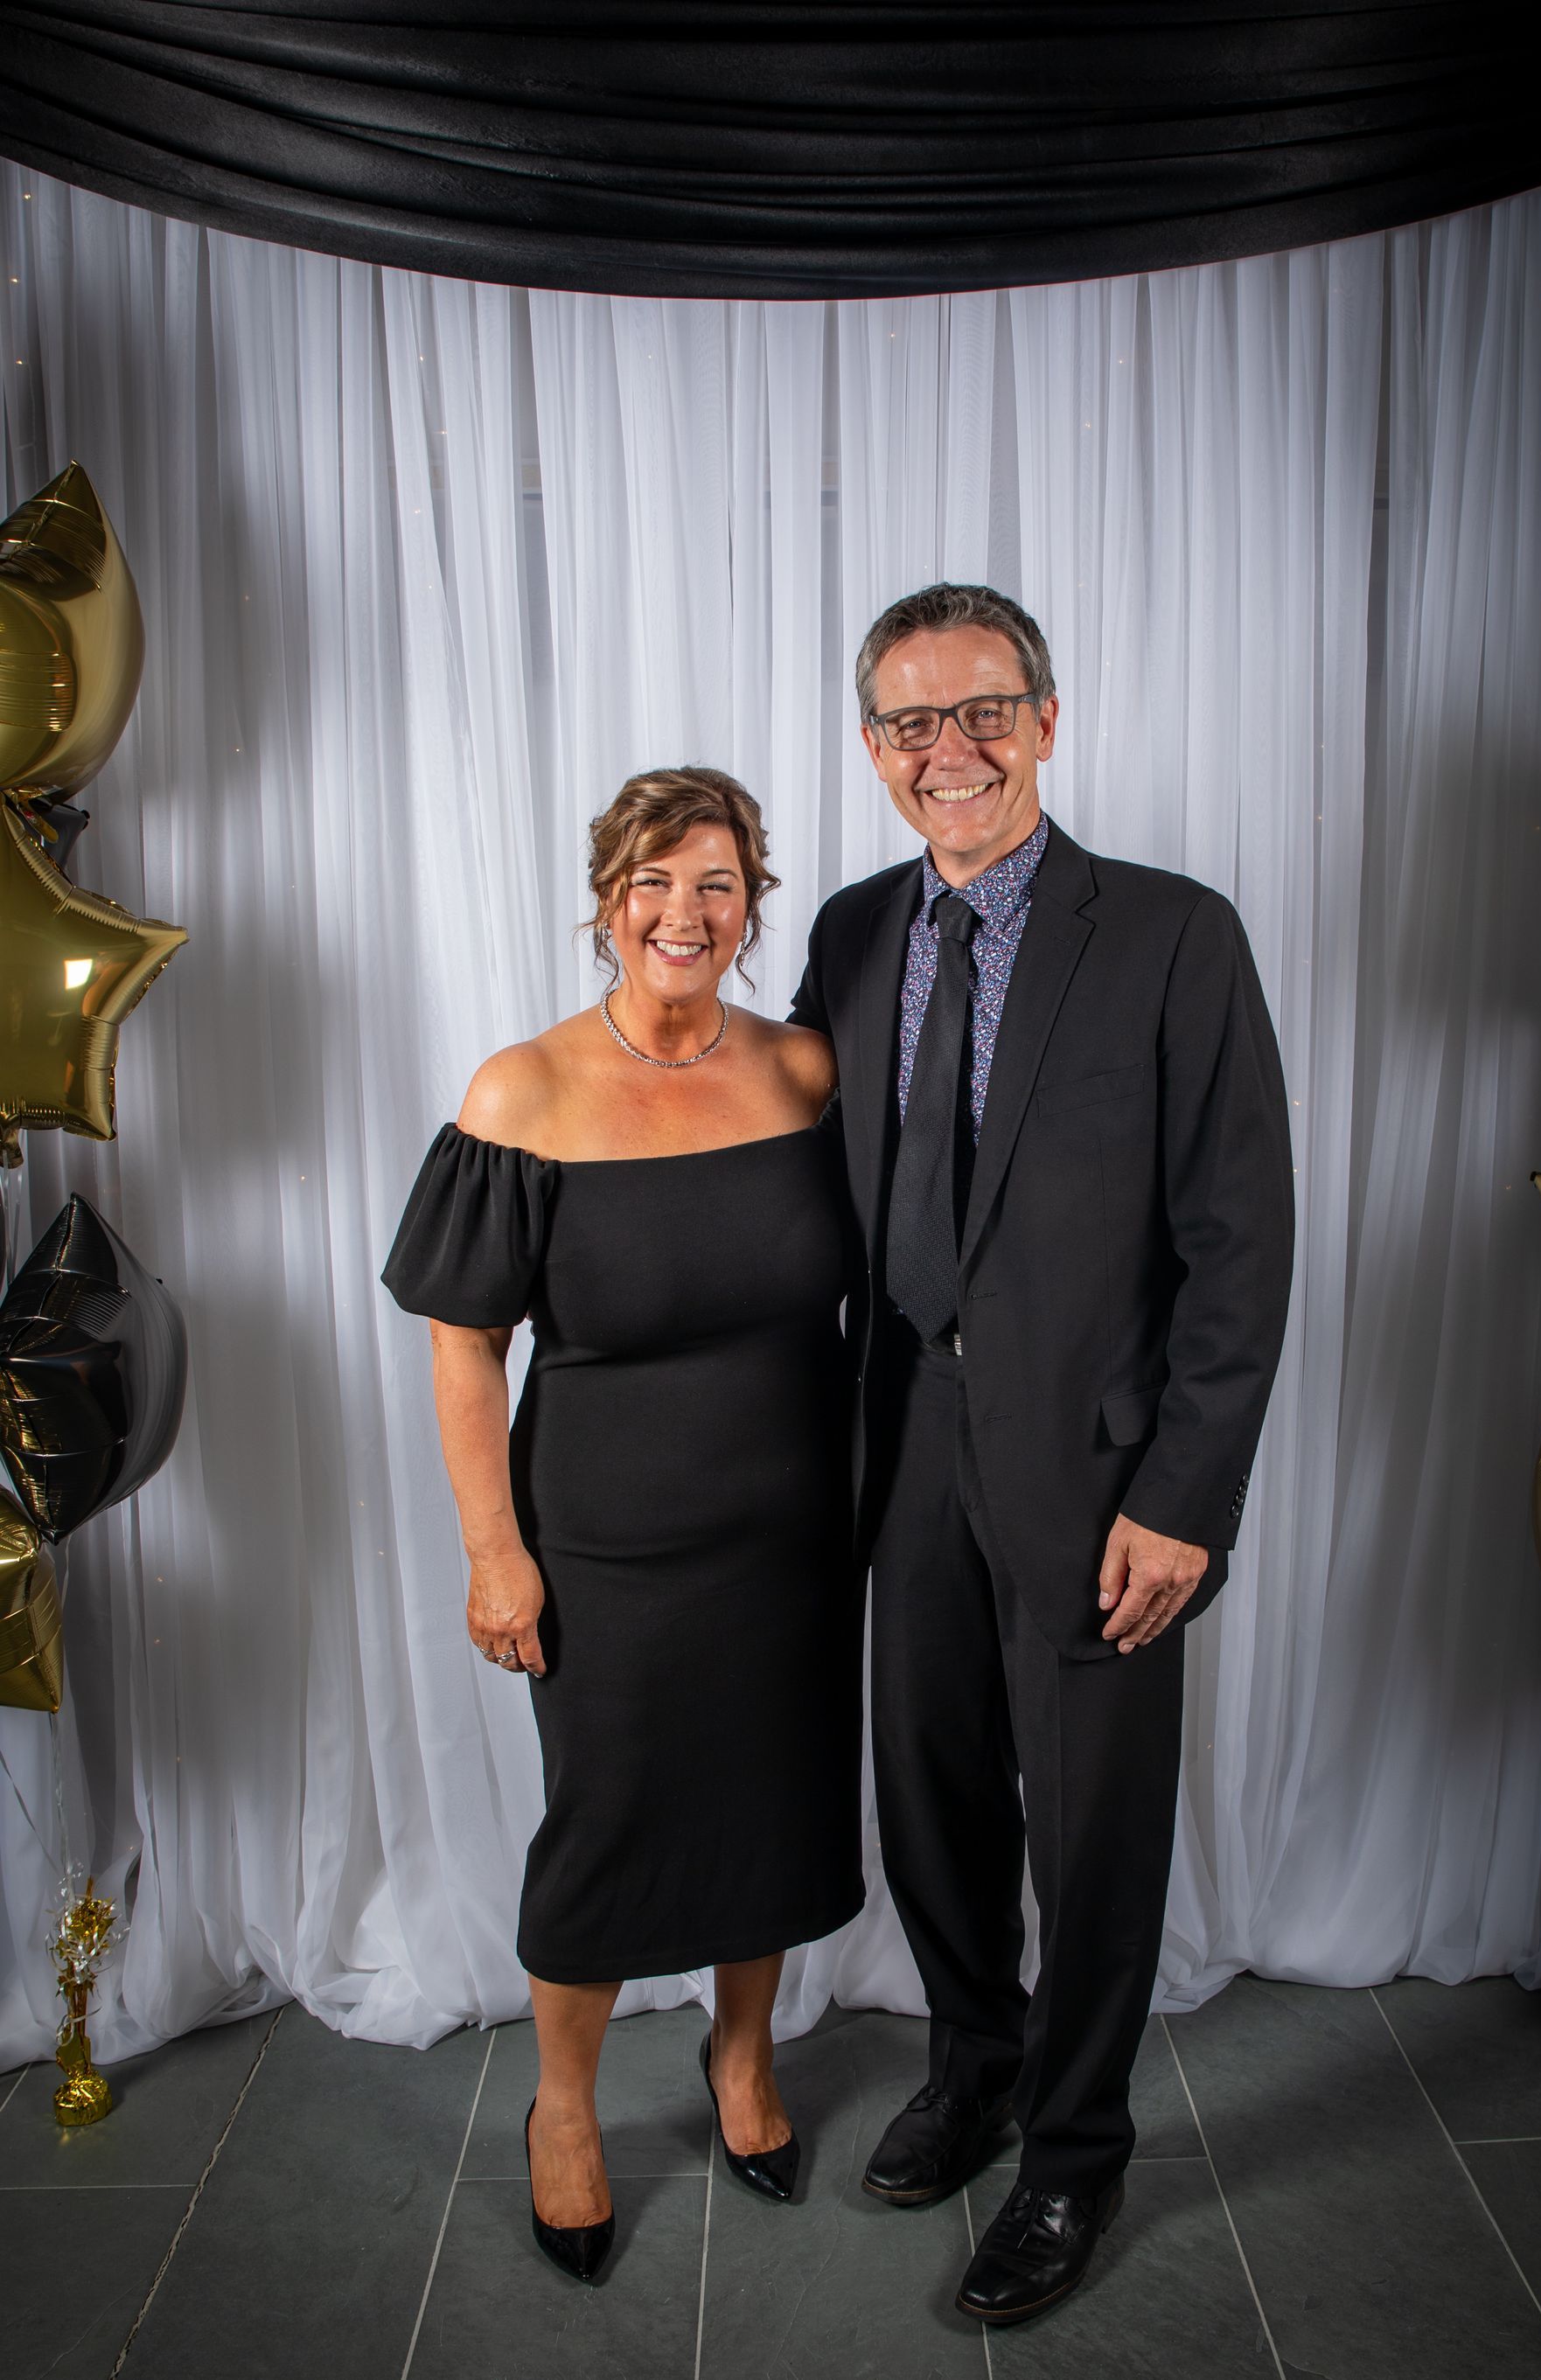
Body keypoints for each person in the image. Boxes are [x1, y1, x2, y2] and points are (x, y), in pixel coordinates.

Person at [791, 583, 1293, 2328]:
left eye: (984, 710)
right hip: (900, 1439)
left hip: (1102, 1470)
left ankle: (1076, 2149)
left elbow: (1243, 1236)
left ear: (1050, 720)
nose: (953, 750)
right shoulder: (853, 935)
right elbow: (802, 1190)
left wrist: (1186, 1494)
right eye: (914, 724)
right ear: (874, 750)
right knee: (927, 1786)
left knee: (1090, 1825)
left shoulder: (1169, 933)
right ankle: (974, 2059)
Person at [383, 766, 861, 2286]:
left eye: (715, 882)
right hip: (605, 1542)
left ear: (751, 903)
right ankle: (568, 2109)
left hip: (793, 1532)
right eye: (653, 881)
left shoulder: (802, 1074)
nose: (683, 912)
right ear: (605, 900)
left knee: (770, 1801)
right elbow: (466, 1345)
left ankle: (741, 2061)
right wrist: (491, 1549)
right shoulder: (521, 1092)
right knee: (610, 1818)